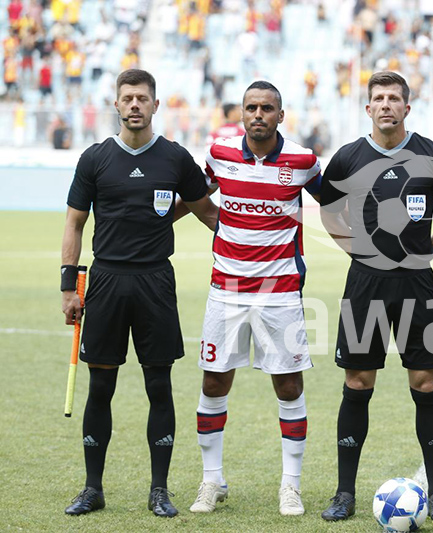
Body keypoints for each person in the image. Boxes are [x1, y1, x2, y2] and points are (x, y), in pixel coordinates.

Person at [60, 69, 218, 518]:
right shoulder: (95, 158)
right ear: (116, 104)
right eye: (127, 98)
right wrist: (68, 287)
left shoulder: (174, 157)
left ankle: (159, 489)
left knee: (159, 386)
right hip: (106, 282)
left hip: (155, 282)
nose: (134, 105)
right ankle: (93, 488)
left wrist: (256, 243)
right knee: (101, 387)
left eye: (142, 98)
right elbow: (74, 223)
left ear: (155, 105)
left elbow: (206, 211)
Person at [319, 71, 433, 525]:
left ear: (407, 107)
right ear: (368, 108)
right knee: (358, 384)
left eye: (394, 98)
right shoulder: (348, 158)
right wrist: (359, 252)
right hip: (365, 286)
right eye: (378, 98)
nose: (386, 105)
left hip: (418, 285)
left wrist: (424, 253)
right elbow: (329, 213)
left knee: (425, 384)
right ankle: (345, 493)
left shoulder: (431, 155)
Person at [176, 81, 322, 516]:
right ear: (241, 113)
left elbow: (333, 205)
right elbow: (195, 197)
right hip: (227, 290)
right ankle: (211, 481)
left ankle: (290, 486)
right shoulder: (219, 153)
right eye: (251, 108)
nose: (258, 114)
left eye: (267, 108)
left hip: (280, 293)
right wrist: (158, 220)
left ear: (281, 114)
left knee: (289, 384)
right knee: (214, 382)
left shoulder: (302, 161)